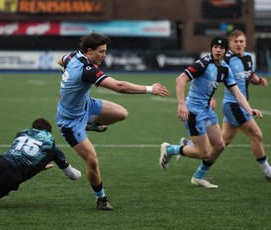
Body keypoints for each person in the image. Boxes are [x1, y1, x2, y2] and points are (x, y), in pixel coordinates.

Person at [55, 32, 170, 210]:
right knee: (92, 160)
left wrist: (66, 84)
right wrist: (149, 89)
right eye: (101, 51)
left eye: (105, 51)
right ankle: (101, 198)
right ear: (90, 51)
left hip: (85, 105)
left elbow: (59, 61)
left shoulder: (73, 56)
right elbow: (119, 86)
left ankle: (90, 124)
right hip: (69, 121)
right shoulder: (87, 71)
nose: (104, 55)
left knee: (121, 113)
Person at [159, 36, 263, 188]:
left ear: (226, 50)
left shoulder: (225, 69)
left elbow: (237, 93)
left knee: (220, 145)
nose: (218, 50)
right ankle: (170, 149)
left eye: (221, 48)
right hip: (193, 112)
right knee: (204, 153)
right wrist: (181, 104)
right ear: (211, 48)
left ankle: (198, 177)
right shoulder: (203, 63)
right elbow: (180, 79)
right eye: (215, 47)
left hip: (207, 110)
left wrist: (249, 108)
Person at [222, 29, 271, 180]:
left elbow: (249, 75)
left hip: (240, 104)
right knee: (256, 135)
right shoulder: (226, 59)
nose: (238, 44)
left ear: (245, 43)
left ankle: (182, 147)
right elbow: (214, 76)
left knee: (222, 142)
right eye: (235, 41)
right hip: (234, 104)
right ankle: (268, 172)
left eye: (241, 41)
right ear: (230, 43)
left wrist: (258, 80)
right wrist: (208, 97)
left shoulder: (248, 58)